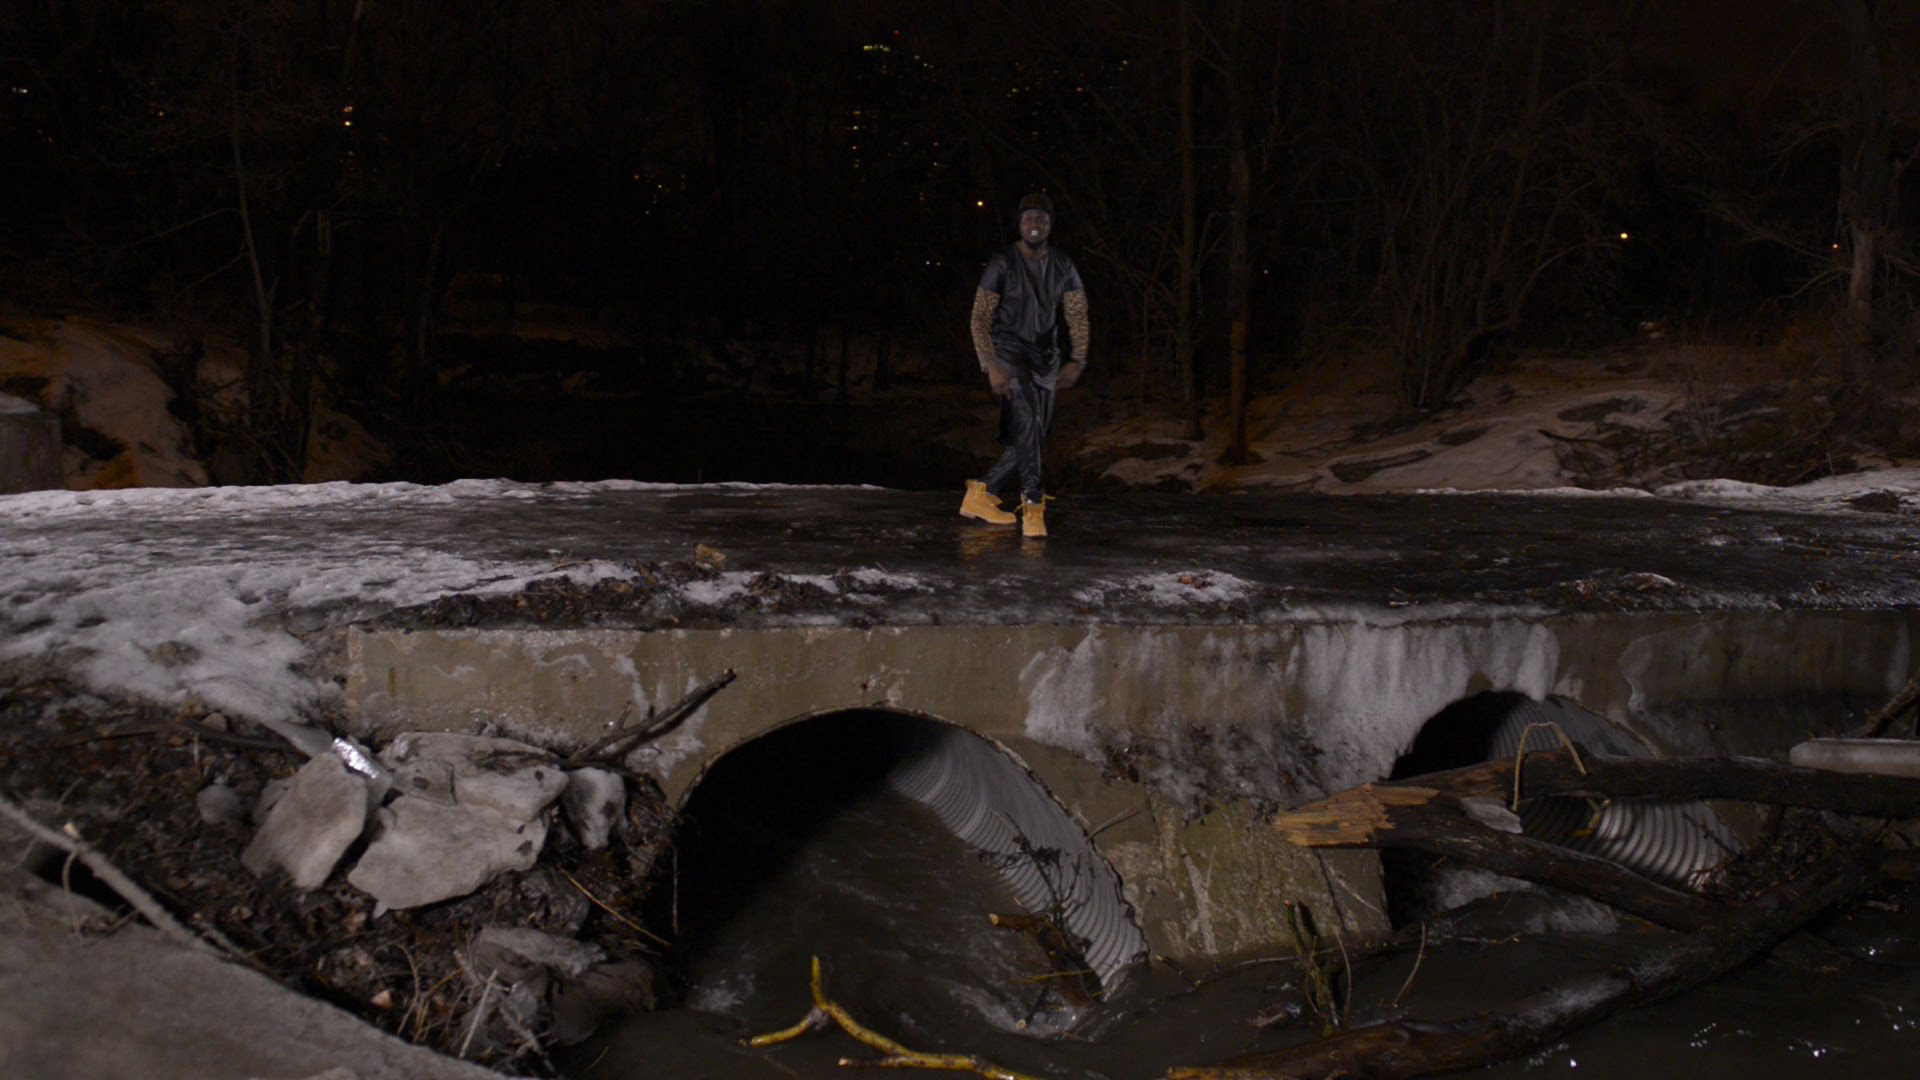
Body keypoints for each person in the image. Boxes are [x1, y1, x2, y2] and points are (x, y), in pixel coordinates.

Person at [959, 192, 1091, 539]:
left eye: (1042, 219)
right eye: (1029, 218)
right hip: (1008, 351)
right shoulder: (1002, 261)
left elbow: (1077, 314)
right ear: (1019, 223)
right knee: (1029, 422)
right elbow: (979, 318)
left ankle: (982, 492)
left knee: (1035, 435)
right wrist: (990, 364)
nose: (1035, 224)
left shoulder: (1063, 264)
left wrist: (1078, 359)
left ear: (1050, 225)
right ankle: (1033, 505)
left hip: (1046, 358)